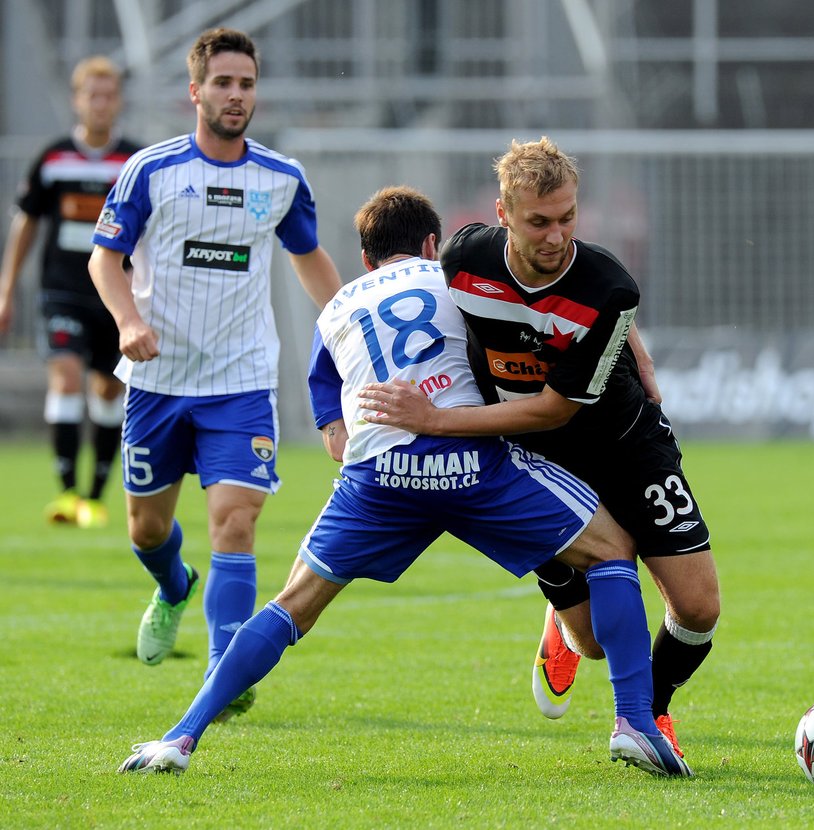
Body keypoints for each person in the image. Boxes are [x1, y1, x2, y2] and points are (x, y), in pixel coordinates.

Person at [116, 185, 691, 778]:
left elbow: (324, 386)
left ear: (366, 259)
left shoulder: (337, 306)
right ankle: (634, 725)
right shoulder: (457, 278)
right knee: (612, 549)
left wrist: (338, 434)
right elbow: (551, 313)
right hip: (470, 460)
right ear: (432, 244)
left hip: (378, 478)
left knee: (293, 606)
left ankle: (179, 739)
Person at [357, 137, 721, 759]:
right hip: (537, 456)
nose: (556, 236)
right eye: (539, 221)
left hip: (623, 441)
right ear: (503, 214)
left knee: (697, 608)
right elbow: (384, 306)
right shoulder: (463, 260)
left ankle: (650, 713)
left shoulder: (609, 287)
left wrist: (437, 422)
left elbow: (556, 404)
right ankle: (566, 625)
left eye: (568, 217)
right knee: (595, 642)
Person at [87, 28, 343, 717]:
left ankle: (222, 671)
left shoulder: (281, 179)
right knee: (146, 529)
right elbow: (104, 259)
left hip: (241, 383)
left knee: (236, 519)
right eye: (224, 83)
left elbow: (309, 256)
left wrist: (355, 327)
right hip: (157, 381)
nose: (237, 96)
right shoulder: (151, 170)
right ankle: (173, 586)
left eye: (247, 84)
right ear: (194, 92)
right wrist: (128, 323)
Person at [0, 56, 140, 529]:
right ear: (77, 101)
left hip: (116, 294)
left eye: (108, 95)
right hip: (61, 291)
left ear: (119, 101)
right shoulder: (54, 157)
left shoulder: (136, 162)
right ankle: (64, 493)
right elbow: (27, 222)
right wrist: (6, 289)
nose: (100, 104)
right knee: (64, 376)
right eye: (91, 95)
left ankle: (94, 497)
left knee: (106, 388)